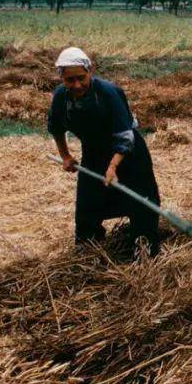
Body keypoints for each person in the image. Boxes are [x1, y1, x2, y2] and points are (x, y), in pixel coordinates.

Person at [48, 47, 161, 257]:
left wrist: (112, 166)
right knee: (88, 205)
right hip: (93, 152)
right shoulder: (61, 97)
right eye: (70, 80)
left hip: (129, 154)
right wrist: (65, 156)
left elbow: (125, 135)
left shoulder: (108, 92)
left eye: (81, 78)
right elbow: (56, 128)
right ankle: (87, 255)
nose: (76, 85)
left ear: (90, 71)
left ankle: (144, 251)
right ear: (61, 78)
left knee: (141, 201)